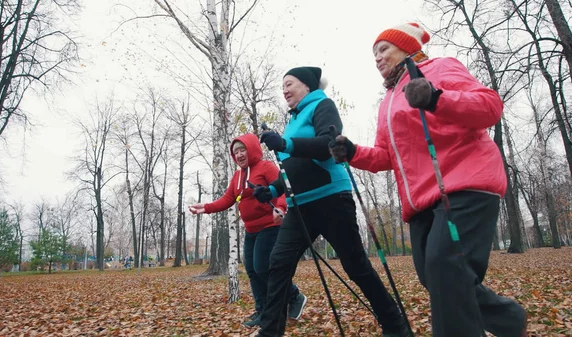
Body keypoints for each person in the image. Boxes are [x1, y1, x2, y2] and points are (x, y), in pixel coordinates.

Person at [329, 23, 527, 337]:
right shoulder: (389, 100)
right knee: (435, 276)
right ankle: (508, 319)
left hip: (465, 182)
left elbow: (489, 107)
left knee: (445, 267)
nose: (377, 58)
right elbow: (386, 155)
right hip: (421, 199)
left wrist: (436, 98)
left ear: (407, 47)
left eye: (384, 49)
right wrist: (352, 152)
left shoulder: (439, 68)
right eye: (374, 54)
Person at [252, 66, 411, 337]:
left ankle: (396, 326)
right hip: (300, 205)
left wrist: (285, 143)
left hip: (331, 199)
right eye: (283, 86)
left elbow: (326, 144)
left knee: (355, 266)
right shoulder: (292, 120)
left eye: (290, 84)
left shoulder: (322, 105)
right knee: (277, 263)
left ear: (308, 86)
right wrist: (272, 189)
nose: (285, 90)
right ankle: (269, 332)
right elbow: (293, 166)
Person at [188, 133, 307, 328]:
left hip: (270, 226)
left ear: (251, 149)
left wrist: (281, 207)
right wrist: (206, 207)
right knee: (252, 270)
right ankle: (263, 311)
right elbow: (227, 199)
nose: (239, 155)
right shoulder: (237, 176)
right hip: (251, 230)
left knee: (263, 268)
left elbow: (284, 187)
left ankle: (294, 296)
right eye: (235, 152)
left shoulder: (266, 167)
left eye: (242, 150)